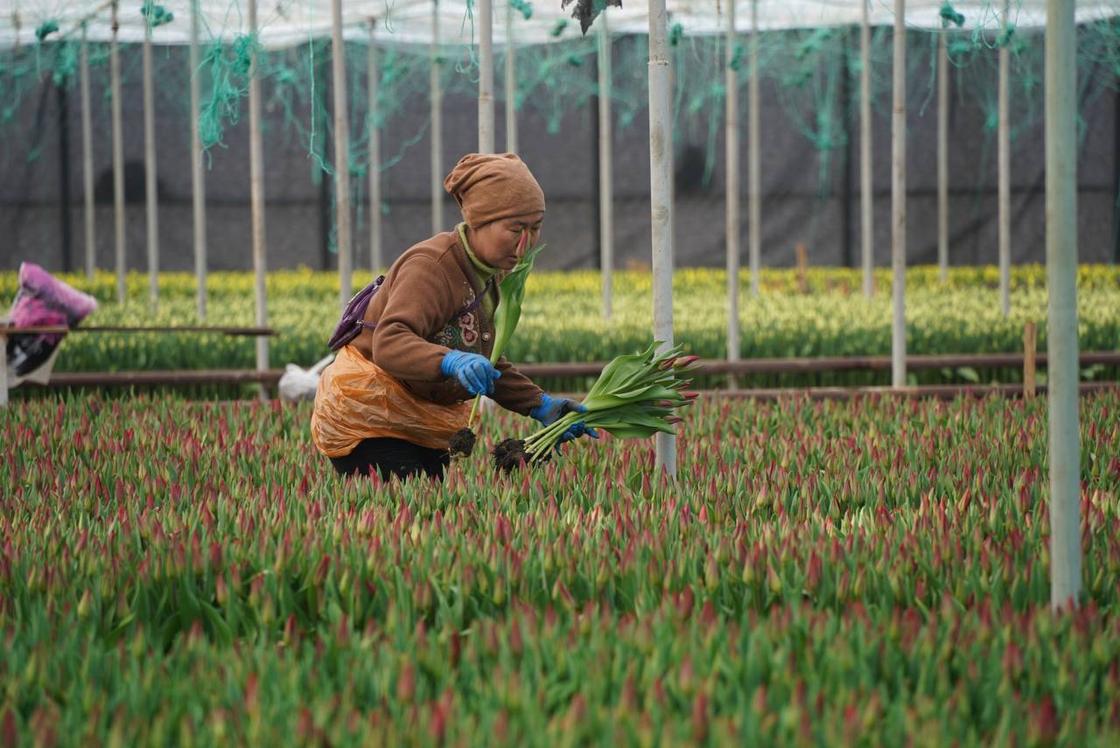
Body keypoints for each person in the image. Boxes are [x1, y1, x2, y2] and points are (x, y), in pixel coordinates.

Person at [311, 152, 597, 482]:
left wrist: (539, 404)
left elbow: (482, 359)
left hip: (420, 419)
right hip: (372, 417)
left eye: (535, 228)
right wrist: (450, 361)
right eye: (515, 228)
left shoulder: (487, 274)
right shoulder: (432, 267)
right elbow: (389, 342)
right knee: (402, 517)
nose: (525, 244)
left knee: (431, 514)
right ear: (479, 222)